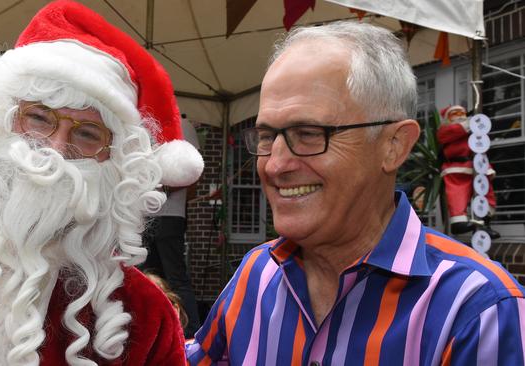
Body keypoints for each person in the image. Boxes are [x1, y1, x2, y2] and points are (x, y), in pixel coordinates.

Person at [0, 1, 203, 365]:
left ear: (116, 163)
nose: (56, 149)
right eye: (38, 117)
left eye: (88, 133)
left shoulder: (145, 314)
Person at [186, 21, 525, 365]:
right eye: (266, 136)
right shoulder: (256, 273)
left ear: (394, 145)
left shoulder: (476, 310)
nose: (274, 165)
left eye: (308, 133)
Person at [142, 114, 201, 338]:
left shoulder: (182, 125)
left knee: (173, 277)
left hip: (168, 215)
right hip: (147, 214)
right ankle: (159, 330)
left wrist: (161, 190)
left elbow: (194, 174)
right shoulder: (147, 123)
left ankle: (191, 334)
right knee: (150, 277)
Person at [437, 105, 500, 238]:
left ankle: (484, 224)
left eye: (462, 113)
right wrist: (472, 122)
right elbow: (455, 130)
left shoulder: (472, 128)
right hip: (457, 167)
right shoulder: (445, 130)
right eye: (455, 114)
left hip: (477, 164)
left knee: (485, 191)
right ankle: (458, 221)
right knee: (457, 193)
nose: (460, 115)